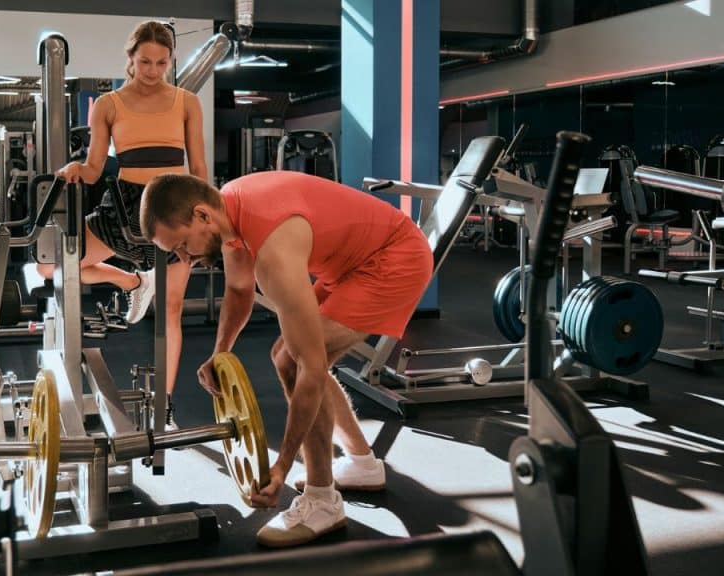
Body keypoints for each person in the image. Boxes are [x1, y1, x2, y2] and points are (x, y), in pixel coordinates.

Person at [139, 170, 434, 548]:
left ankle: (322, 501)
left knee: (296, 361)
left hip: (394, 258)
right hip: (351, 261)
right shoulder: (228, 209)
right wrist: (220, 351)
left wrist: (282, 465)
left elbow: (311, 369)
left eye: (181, 245)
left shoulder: (273, 251)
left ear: (201, 216)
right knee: (287, 354)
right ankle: (362, 464)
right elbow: (238, 288)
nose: (185, 258)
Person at [40, 20, 207, 430]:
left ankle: (163, 406)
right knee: (53, 267)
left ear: (170, 61)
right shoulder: (110, 104)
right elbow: (96, 169)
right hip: (126, 206)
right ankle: (131, 282)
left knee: (170, 313)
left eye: (162, 62)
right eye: (145, 61)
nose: (153, 70)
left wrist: (211, 216)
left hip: (174, 206)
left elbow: (199, 167)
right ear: (130, 59)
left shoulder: (187, 101)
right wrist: (78, 167)